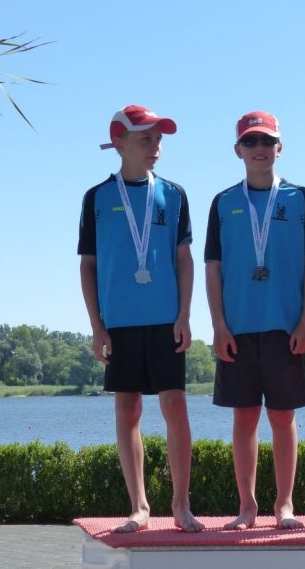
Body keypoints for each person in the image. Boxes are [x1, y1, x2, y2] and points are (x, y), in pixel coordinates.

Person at [78, 105, 204, 533]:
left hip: (166, 319)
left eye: (159, 139)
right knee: (127, 410)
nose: (156, 147)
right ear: (119, 143)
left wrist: (185, 314)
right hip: (119, 322)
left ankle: (181, 505)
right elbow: (88, 265)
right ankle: (139, 507)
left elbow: (184, 260)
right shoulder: (97, 198)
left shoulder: (174, 193)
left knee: (176, 406)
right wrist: (96, 326)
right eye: (145, 139)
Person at [205, 111, 305, 530]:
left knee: (283, 418)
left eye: (267, 141)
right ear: (237, 150)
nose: (259, 149)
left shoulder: (300, 198)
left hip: (284, 327)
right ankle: (247, 507)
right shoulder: (223, 202)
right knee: (243, 418)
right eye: (251, 142)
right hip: (237, 329)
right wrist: (218, 325)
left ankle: (284, 504)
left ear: (280, 148)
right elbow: (214, 268)